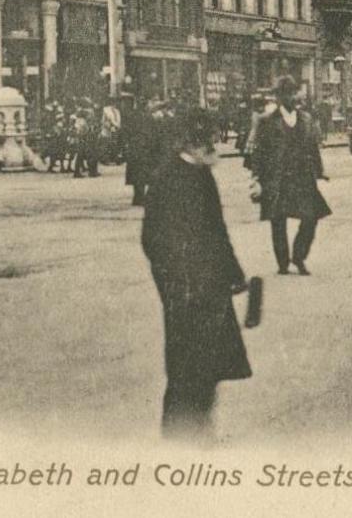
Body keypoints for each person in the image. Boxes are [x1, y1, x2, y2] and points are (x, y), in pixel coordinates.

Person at [141, 107, 251, 437]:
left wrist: (233, 273)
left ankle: (199, 427)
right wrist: (176, 282)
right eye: (212, 141)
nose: (217, 147)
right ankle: (178, 437)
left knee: (209, 363)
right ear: (195, 144)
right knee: (187, 367)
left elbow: (218, 230)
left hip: (211, 287)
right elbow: (152, 240)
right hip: (186, 291)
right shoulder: (167, 178)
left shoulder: (202, 175)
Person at [251, 76, 331, 275]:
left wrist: (319, 171)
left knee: (311, 217)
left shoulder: (305, 118)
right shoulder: (267, 121)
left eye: (292, 92)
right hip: (277, 177)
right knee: (278, 221)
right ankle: (283, 263)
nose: (290, 97)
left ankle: (299, 256)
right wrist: (256, 179)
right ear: (278, 97)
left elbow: (313, 147)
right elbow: (258, 152)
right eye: (284, 93)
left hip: (302, 177)